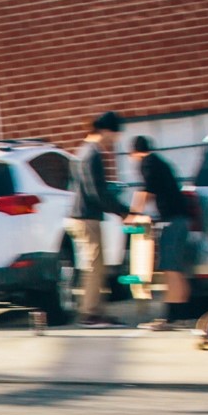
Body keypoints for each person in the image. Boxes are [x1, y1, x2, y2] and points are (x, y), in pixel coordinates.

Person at [68, 110, 131, 328]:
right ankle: (90, 314)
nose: (115, 140)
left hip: (83, 215)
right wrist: (123, 212)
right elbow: (97, 191)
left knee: (96, 265)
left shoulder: (82, 151)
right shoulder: (92, 153)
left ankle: (96, 311)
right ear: (105, 131)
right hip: (87, 217)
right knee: (95, 266)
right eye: (115, 134)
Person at [127, 135, 194, 330]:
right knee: (177, 270)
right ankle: (181, 315)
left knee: (170, 269)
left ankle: (171, 318)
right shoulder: (160, 163)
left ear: (134, 153)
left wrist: (133, 214)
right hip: (181, 219)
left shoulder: (147, 163)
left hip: (173, 221)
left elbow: (146, 191)